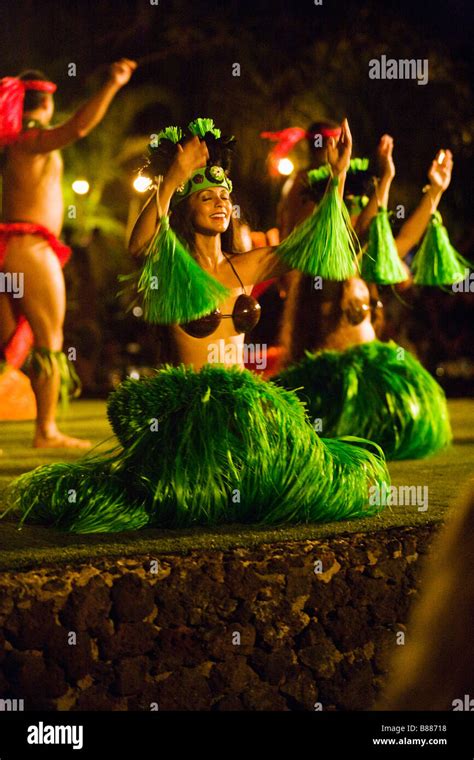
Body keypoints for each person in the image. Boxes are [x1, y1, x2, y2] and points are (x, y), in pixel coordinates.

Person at [3, 118, 390, 533]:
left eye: (225, 196)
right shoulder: (172, 268)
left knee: (306, 485)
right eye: (207, 197)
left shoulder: (248, 265)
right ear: (187, 208)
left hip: (244, 412)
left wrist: (339, 176)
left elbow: (318, 242)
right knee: (189, 503)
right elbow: (140, 244)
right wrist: (173, 178)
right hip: (191, 418)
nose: (221, 203)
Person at [273, 144, 454, 460]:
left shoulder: (367, 261)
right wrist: (378, 182)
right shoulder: (322, 265)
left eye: (361, 207)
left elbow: (405, 239)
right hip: (335, 386)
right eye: (352, 208)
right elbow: (350, 227)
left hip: (368, 375)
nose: (362, 215)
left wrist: (434, 192)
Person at [0, 58, 137, 448]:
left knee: (9, 345)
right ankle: (46, 430)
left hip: (10, 249)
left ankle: (44, 424)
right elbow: (78, 127)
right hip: (30, 247)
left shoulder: (14, 146)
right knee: (49, 340)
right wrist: (112, 83)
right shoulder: (31, 140)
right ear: (43, 105)